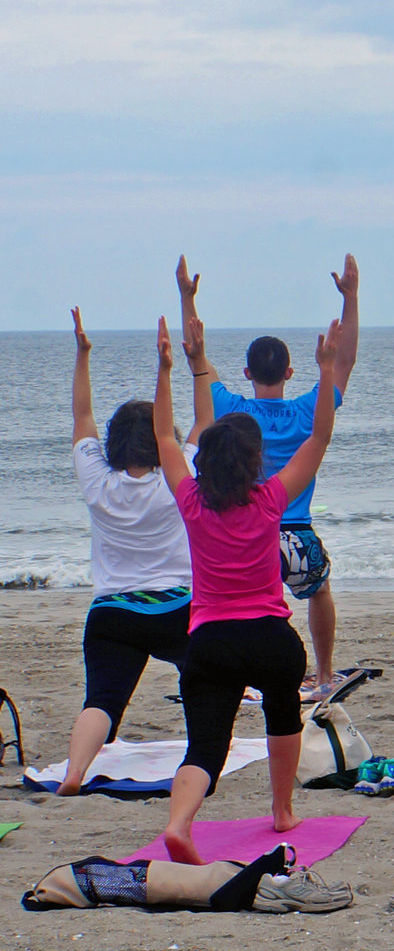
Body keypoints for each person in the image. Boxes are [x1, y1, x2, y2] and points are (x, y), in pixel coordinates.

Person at [152, 313, 350, 865]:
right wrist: (327, 370)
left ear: (205, 462)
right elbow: (319, 436)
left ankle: (179, 821)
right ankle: (282, 811)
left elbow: (165, 437)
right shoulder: (269, 501)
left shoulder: (191, 502)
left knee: (206, 744)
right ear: (254, 463)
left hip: (209, 640)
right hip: (269, 637)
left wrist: (168, 370)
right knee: (283, 712)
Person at [178, 254, 360, 697]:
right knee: (318, 590)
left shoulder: (229, 408)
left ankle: (239, 679)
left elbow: (197, 362)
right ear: (289, 372)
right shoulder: (305, 410)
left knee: (237, 601)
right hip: (295, 532)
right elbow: (346, 363)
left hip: (247, 531)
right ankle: (322, 675)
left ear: (247, 373)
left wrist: (187, 299)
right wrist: (350, 299)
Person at [59, 309, 198, 795]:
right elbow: (201, 421)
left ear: (115, 443)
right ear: (164, 439)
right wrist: (172, 368)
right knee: (202, 683)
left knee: (102, 701)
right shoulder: (178, 479)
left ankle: (74, 773)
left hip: (112, 613)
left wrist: (83, 355)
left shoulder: (98, 480)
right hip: (179, 609)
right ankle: (199, 763)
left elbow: (82, 417)